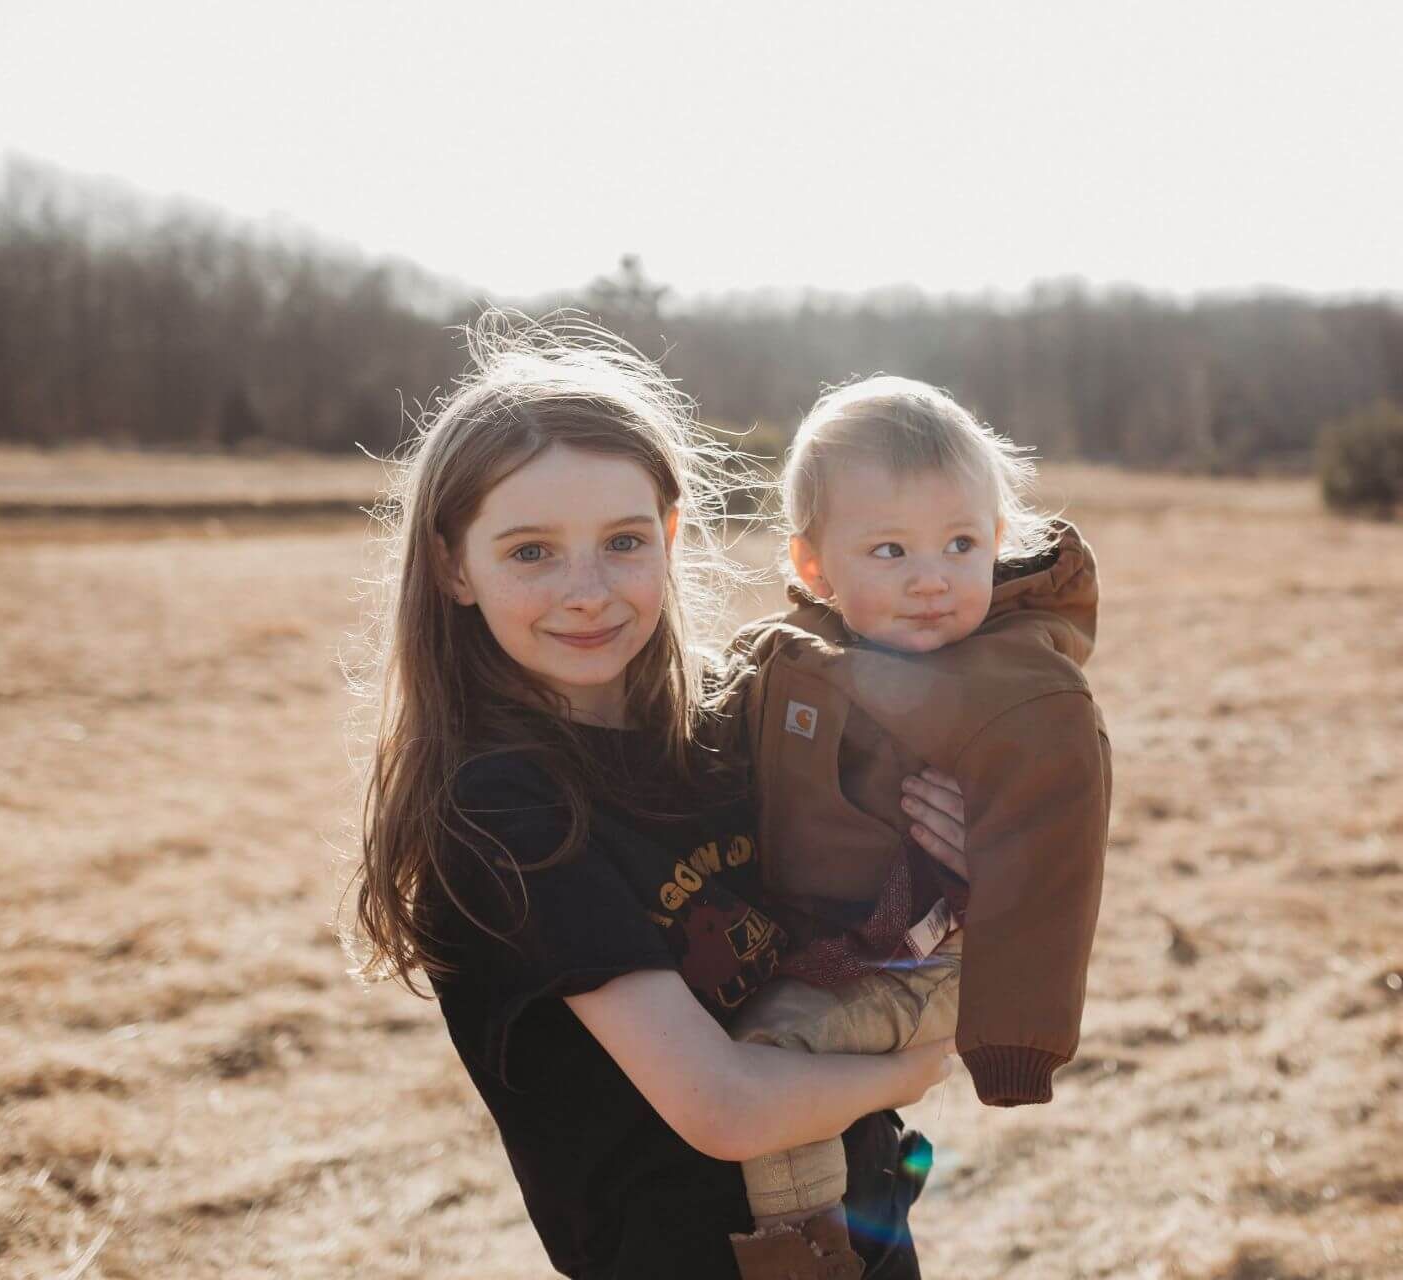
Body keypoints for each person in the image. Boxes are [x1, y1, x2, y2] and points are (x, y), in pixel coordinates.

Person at [346, 317, 967, 1279]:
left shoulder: (734, 730)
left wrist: (954, 859)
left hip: (868, 1230)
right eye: (531, 553)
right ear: (449, 566)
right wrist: (910, 1067)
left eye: (623, 541)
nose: (588, 590)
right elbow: (721, 1104)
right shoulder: (503, 812)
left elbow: (866, 928)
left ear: (671, 537)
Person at [718, 376, 1111, 1246]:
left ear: (999, 542)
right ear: (813, 566)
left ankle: (804, 1253)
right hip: (825, 942)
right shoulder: (791, 653)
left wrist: (1014, 1043)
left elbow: (1052, 868)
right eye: (890, 551)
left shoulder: (1019, 689)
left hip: (927, 963)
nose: (932, 580)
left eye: (960, 544)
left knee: (770, 1053)